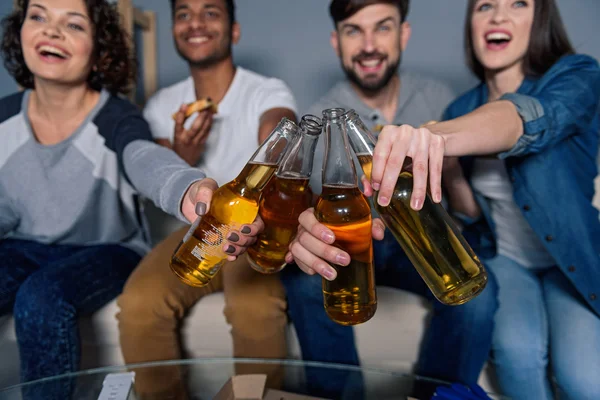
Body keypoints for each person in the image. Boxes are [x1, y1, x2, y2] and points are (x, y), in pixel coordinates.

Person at [325, 0, 600, 398]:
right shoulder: (459, 108)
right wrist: (450, 169)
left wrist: (432, 136)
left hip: (572, 260)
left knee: (585, 379)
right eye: (485, 6)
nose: (498, 16)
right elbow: (470, 214)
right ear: (472, 23)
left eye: (517, 4)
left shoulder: (577, 74)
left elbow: (527, 118)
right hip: (505, 258)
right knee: (518, 358)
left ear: (540, 18)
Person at [0, 0, 260, 398]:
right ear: (20, 32)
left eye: (72, 24)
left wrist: (188, 189)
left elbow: (146, 159)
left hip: (108, 249)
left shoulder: (117, 117)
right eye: (38, 16)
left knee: (41, 296)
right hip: (23, 246)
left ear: (100, 47)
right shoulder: (4, 119)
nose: (51, 31)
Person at [281, 0, 499, 397]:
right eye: (353, 31)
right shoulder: (319, 115)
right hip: (362, 242)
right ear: (336, 41)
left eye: (382, 28)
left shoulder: (439, 98)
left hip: (422, 239)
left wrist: (448, 168)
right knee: (305, 281)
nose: (368, 45)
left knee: (478, 299)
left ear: (403, 34)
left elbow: (465, 209)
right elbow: (313, 215)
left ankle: (438, 396)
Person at [116, 0, 297, 397]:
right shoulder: (164, 104)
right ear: (174, 30)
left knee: (253, 308)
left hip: (252, 227)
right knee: (139, 305)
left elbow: (279, 128)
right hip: (191, 229)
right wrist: (185, 157)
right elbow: (159, 171)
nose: (195, 22)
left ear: (234, 31)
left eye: (210, 12)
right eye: (183, 14)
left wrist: (277, 142)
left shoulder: (265, 91)